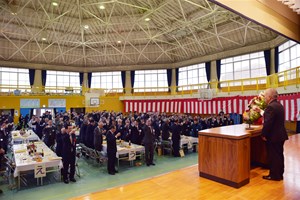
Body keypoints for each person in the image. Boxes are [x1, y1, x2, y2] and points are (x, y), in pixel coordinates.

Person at [257, 88, 288, 181]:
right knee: (279, 155)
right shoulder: (279, 105)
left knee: (273, 156)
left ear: (270, 97)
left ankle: (274, 175)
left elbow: (268, 123)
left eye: (265, 96)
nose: (264, 98)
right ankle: (279, 174)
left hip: (273, 136)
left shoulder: (270, 107)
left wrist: (263, 134)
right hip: (280, 135)